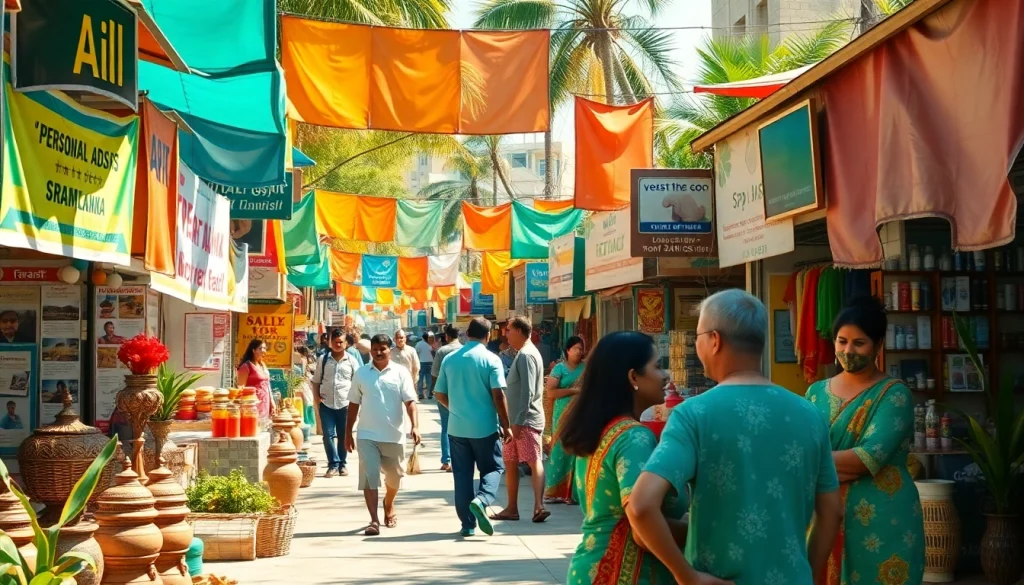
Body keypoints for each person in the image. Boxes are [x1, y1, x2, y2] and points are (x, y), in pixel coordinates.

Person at [627, 289, 843, 585]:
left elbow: (640, 506)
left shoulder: (694, 415)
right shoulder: (809, 414)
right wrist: (808, 574)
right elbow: (831, 512)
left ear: (714, 341)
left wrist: (686, 575)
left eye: (698, 336)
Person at [805, 296, 925, 585]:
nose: (848, 351)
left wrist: (804, 462)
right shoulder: (814, 393)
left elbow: (866, 459)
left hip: (882, 519)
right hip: (822, 514)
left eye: (859, 343)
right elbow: (798, 445)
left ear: (878, 345)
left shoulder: (893, 395)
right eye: (841, 341)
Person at [560, 331, 686, 585]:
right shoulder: (633, 438)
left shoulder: (600, 431)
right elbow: (641, 520)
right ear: (633, 377)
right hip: (621, 573)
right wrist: (704, 541)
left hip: (590, 568)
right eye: (658, 366)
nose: (666, 376)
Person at [434, 317, 513, 537]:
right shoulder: (491, 359)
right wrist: (506, 426)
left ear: (467, 334)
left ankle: (467, 525)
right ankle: (483, 499)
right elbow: (498, 394)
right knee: (493, 468)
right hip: (485, 428)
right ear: (488, 336)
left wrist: (456, 408)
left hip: (457, 428)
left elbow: (439, 393)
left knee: (462, 476)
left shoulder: (450, 359)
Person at [345, 334, 420, 536]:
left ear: (390, 349)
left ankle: (389, 503)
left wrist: (415, 426)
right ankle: (374, 520)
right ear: (371, 350)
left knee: (395, 477)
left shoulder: (400, 373)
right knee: (370, 478)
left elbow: (410, 402)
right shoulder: (361, 374)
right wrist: (348, 433)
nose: (379, 352)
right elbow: (353, 404)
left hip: (394, 436)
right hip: (366, 435)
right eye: (375, 348)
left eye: (383, 349)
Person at [491, 316, 549, 524]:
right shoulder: (523, 354)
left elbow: (528, 391)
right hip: (514, 422)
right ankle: (512, 508)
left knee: (534, 461)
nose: (506, 334)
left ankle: (538, 506)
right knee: (511, 463)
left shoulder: (526, 355)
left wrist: (518, 421)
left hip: (525, 421)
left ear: (519, 331)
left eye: (509, 330)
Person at [313, 329, 362, 478]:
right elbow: (315, 381)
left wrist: (358, 402)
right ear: (330, 343)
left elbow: (358, 383)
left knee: (343, 435)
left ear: (346, 343)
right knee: (327, 435)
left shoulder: (352, 361)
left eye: (341, 342)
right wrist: (316, 399)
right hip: (326, 404)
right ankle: (332, 464)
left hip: (346, 405)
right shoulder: (323, 359)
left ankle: (342, 464)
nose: (338, 344)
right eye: (335, 342)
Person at [544, 336, 586, 504]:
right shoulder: (559, 369)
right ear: (567, 350)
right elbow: (551, 393)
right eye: (576, 348)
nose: (579, 351)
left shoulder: (586, 368)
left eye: (581, 348)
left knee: (578, 451)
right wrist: (573, 391)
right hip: (562, 415)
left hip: (581, 414)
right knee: (561, 450)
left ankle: (575, 494)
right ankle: (556, 492)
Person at [431, 325, 462, 472]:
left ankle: (446, 461)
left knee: (445, 427)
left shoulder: (442, 351)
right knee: (461, 428)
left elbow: (435, 374)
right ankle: (460, 460)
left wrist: (434, 391)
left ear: (447, 337)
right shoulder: (464, 350)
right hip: (461, 394)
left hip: (444, 394)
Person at [236, 339, 275, 418]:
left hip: (265, 403)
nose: (263, 351)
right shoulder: (246, 366)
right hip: (253, 405)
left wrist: (272, 401)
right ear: (253, 350)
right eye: (260, 348)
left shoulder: (262, 365)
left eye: (264, 348)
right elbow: (241, 388)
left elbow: (268, 385)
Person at [415, 332, 435, 399]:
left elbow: (416, 354)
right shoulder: (429, 344)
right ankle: (429, 394)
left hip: (422, 363)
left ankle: (421, 394)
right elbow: (432, 353)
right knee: (429, 379)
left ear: (422, 337)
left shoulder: (419, 344)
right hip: (430, 363)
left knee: (420, 379)